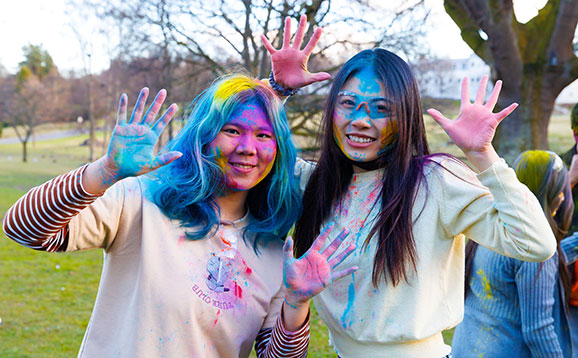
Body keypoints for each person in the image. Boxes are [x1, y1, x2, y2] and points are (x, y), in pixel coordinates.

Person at [261, 16, 557, 357]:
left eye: (381, 109)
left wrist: (484, 156)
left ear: (406, 117)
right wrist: (275, 92)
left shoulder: (436, 182)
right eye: (348, 103)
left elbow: (535, 244)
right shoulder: (311, 181)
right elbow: (246, 155)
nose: (360, 119)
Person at [2, 75, 357, 357]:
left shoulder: (273, 250)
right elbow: (22, 229)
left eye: (264, 135)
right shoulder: (141, 202)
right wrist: (104, 172)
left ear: (278, 150)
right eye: (232, 130)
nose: (248, 147)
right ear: (203, 137)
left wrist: (296, 304)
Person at [452, 151, 573, 357]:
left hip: (465, 348)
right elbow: (538, 330)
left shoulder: (496, 226)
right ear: (557, 197)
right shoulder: (535, 254)